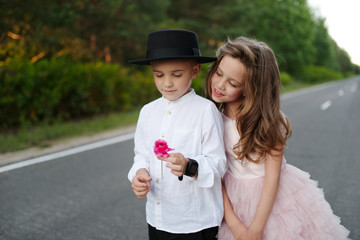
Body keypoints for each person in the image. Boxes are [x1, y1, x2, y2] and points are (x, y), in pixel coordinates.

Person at [205, 36, 350, 240]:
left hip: (272, 202)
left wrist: (255, 230)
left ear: (251, 88)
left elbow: (272, 180)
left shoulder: (268, 123)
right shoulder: (210, 118)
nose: (219, 85)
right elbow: (214, 174)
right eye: (218, 73)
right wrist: (235, 225)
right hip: (230, 202)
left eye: (232, 83)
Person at [127, 30, 227, 240]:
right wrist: (138, 174)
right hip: (159, 217)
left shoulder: (205, 110)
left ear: (195, 71)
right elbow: (142, 155)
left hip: (196, 221)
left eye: (177, 74)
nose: (167, 83)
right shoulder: (148, 111)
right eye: (159, 75)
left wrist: (190, 165)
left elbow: (218, 162)